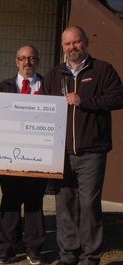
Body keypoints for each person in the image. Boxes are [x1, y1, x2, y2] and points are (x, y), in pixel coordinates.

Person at [42, 26, 123, 265]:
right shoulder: (55, 74)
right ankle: (68, 255)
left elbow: (119, 97)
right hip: (62, 153)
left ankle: (90, 257)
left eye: (76, 42)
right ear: (63, 46)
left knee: (88, 205)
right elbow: (44, 108)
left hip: (92, 153)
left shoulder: (102, 70)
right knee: (65, 206)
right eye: (67, 44)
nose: (72, 47)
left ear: (85, 42)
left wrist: (84, 101)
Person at [0, 45, 47, 265]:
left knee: (34, 203)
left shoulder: (49, 86)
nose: (27, 62)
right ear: (16, 62)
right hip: (9, 155)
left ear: (38, 61)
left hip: (40, 154)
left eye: (32, 58)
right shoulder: (3, 87)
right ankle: (7, 249)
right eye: (23, 58)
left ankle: (34, 249)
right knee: (10, 202)